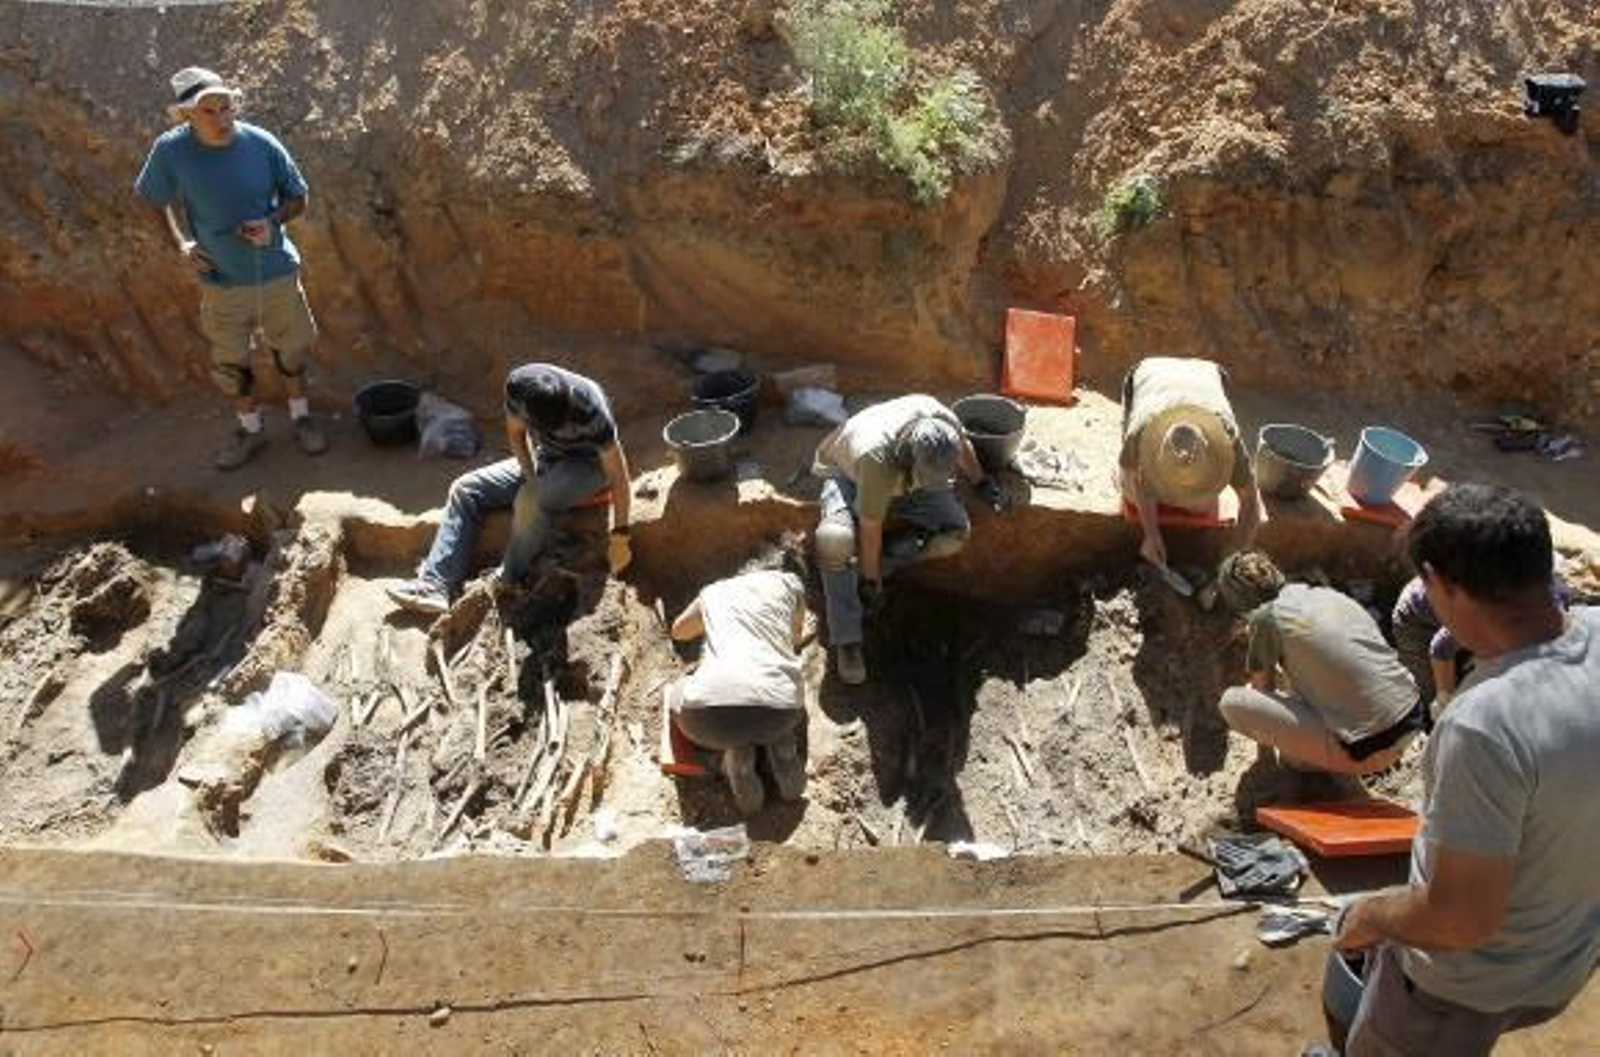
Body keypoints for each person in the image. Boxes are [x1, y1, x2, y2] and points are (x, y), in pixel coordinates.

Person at [1335, 484, 1599, 1056]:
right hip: (1565, 952)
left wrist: (1370, 915)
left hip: (1460, 988)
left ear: (1441, 583)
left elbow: (1460, 920)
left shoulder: (1485, 724)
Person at [134, 67, 328, 470]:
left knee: (290, 351)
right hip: (220, 281)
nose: (223, 119)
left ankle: (301, 419)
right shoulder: (170, 151)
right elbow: (152, 199)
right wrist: (181, 244)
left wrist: (272, 222)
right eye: (210, 111)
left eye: (227, 108)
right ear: (187, 115)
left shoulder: (261, 143)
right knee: (232, 363)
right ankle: (251, 430)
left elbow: (299, 198)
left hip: (275, 271)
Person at [386, 364, 632, 615]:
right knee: (465, 490)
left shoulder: (591, 408)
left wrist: (620, 536)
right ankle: (436, 584)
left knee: (529, 501)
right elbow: (517, 436)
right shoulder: (519, 388)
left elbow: (618, 475)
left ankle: (508, 577)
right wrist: (530, 477)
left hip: (588, 466)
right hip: (546, 457)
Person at [812, 395, 993, 685]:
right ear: (909, 457)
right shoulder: (877, 458)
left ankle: (878, 565)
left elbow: (963, 448)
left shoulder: (942, 421)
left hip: (908, 482)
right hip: (849, 475)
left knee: (954, 533)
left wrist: (981, 481)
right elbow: (871, 528)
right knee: (835, 540)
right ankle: (847, 639)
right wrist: (873, 585)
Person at [1215, 549, 1423, 775]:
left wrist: (1268, 751)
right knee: (1309, 672)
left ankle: (1318, 766)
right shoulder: (1328, 595)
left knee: (1233, 702)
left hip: (1368, 749)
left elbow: (1262, 690)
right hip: (1410, 717)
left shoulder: (1264, 619)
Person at [666, 540, 811, 815]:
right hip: (779, 713)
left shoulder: (714, 591)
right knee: (780, 689)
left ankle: (737, 759)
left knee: (679, 687)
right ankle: (783, 750)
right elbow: (795, 639)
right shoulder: (791, 584)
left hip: (708, 722)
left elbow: (679, 631)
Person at [1119, 357, 1260, 576]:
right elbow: (1139, 481)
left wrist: (1238, 556)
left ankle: (1181, 493)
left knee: (1202, 506)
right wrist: (1151, 535)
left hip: (1207, 374)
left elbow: (1251, 501)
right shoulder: (1141, 431)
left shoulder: (1225, 433)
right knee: (1129, 493)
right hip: (1148, 372)